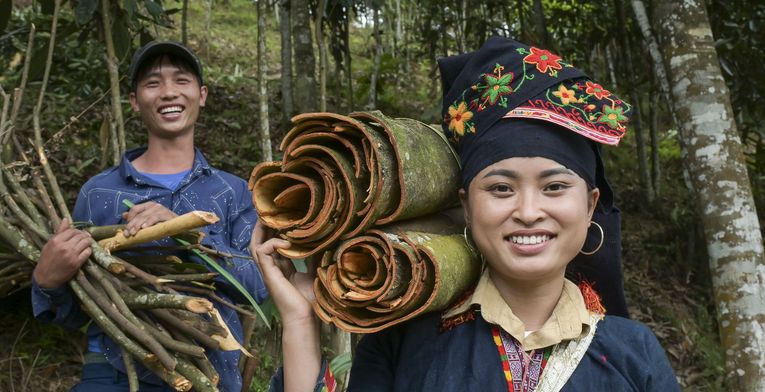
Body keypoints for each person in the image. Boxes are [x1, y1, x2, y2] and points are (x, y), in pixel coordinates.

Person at [254, 36, 679, 391]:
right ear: (466, 206)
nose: (529, 212)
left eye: (554, 187)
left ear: (589, 207)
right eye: (500, 188)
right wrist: (298, 320)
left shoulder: (634, 354)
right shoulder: (403, 340)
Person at [31, 41, 268, 391]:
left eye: (181, 80)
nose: (168, 92)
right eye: (153, 83)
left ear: (201, 95)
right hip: (114, 371)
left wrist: (184, 234)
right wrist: (47, 283)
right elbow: (76, 311)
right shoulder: (99, 193)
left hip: (211, 373)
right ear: (134, 101)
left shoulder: (234, 192)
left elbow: (256, 289)